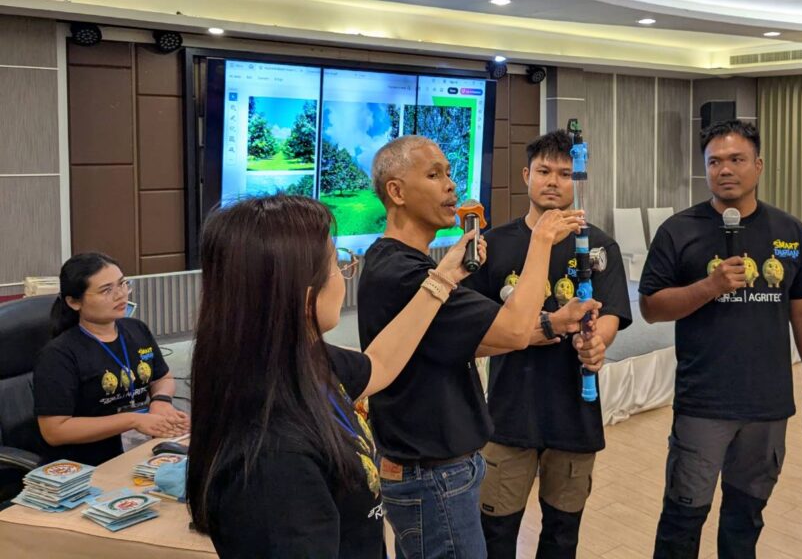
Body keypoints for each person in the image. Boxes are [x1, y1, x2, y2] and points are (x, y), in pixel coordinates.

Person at [186, 194, 485, 558]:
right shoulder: (276, 459)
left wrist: (443, 278)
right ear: (304, 297)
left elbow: (380, 363)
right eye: (337, 264)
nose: (345, 274)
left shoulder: (302, 362)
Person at [357, 135, 594, 559]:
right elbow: (514, 331)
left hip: (440, 467)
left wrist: (549, 324)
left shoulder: (414, 266)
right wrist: (541, 242)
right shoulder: (405, 274)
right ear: (396, 191)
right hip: (432, 474)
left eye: (449, 173)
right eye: (434, 175)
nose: (451, 185)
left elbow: (475, 340)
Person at [639, 120, 802, 559]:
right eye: (714, 162)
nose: (725, 169)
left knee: (745, 522)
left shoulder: (789, 231)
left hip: (767, 406)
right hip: (703, 404)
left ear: (758, 166)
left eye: (737, 159)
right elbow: (651, 307)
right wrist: (709, 287)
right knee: (682, 520)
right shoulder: (678, 230)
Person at [464, 129, 632, 558]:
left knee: (562, 537)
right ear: (526, 176)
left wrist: (597, 343)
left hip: (575, 416)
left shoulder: (599, 246)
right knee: (495, 535)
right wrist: (548, 325)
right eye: (544, 171)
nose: (553, 181)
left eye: (565, 173)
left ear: (577, 179)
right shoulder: (494, 246)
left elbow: (610, 314)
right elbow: (476, 331)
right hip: (507, 416)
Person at [34, 253, 190, 467]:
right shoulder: (59, 354)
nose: (121, 295)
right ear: (74, 302)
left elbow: (163, 378)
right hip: (86, 464)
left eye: (122, 284)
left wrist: (161, 401)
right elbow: (54, 431)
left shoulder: (137, 330)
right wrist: (132, 420)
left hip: (142, 449)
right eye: (106, 290)